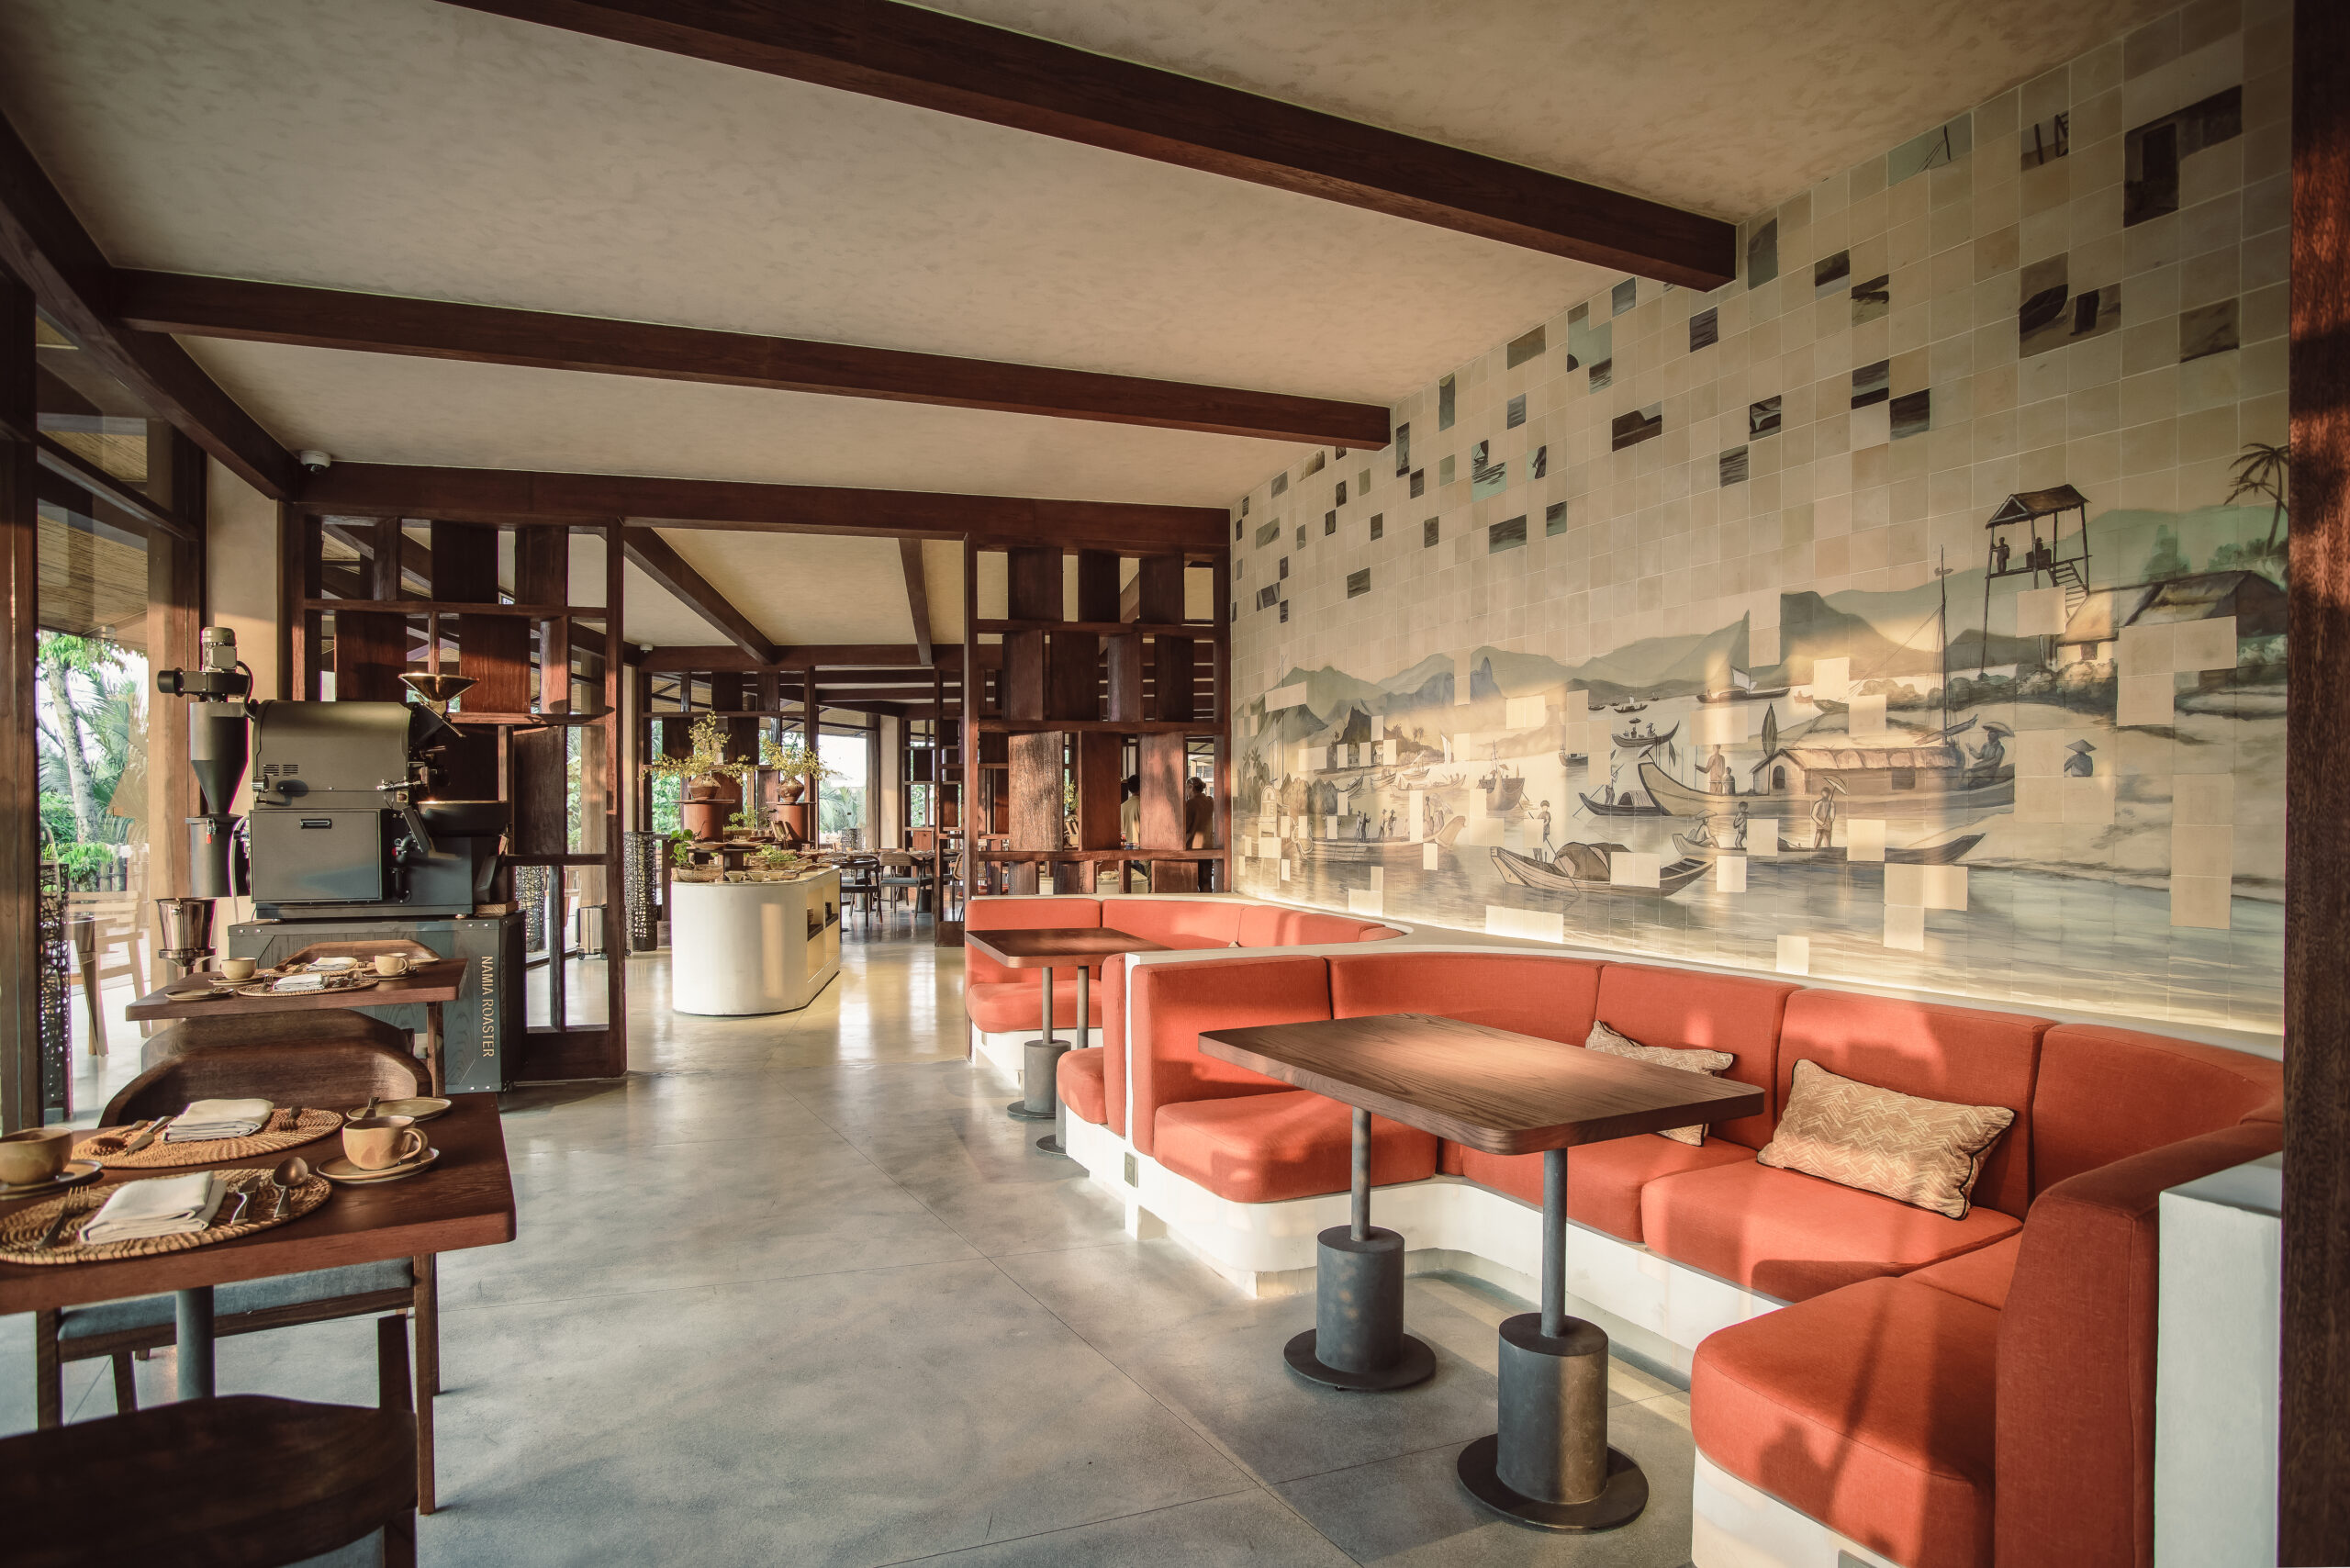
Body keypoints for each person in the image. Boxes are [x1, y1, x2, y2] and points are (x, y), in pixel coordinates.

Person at [1119, 775, 1141, 847]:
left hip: (1128, 844)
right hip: (1140, 845)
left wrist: (1124, 843)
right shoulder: (1143, 805)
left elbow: (1122, 830)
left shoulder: (1122, 806)